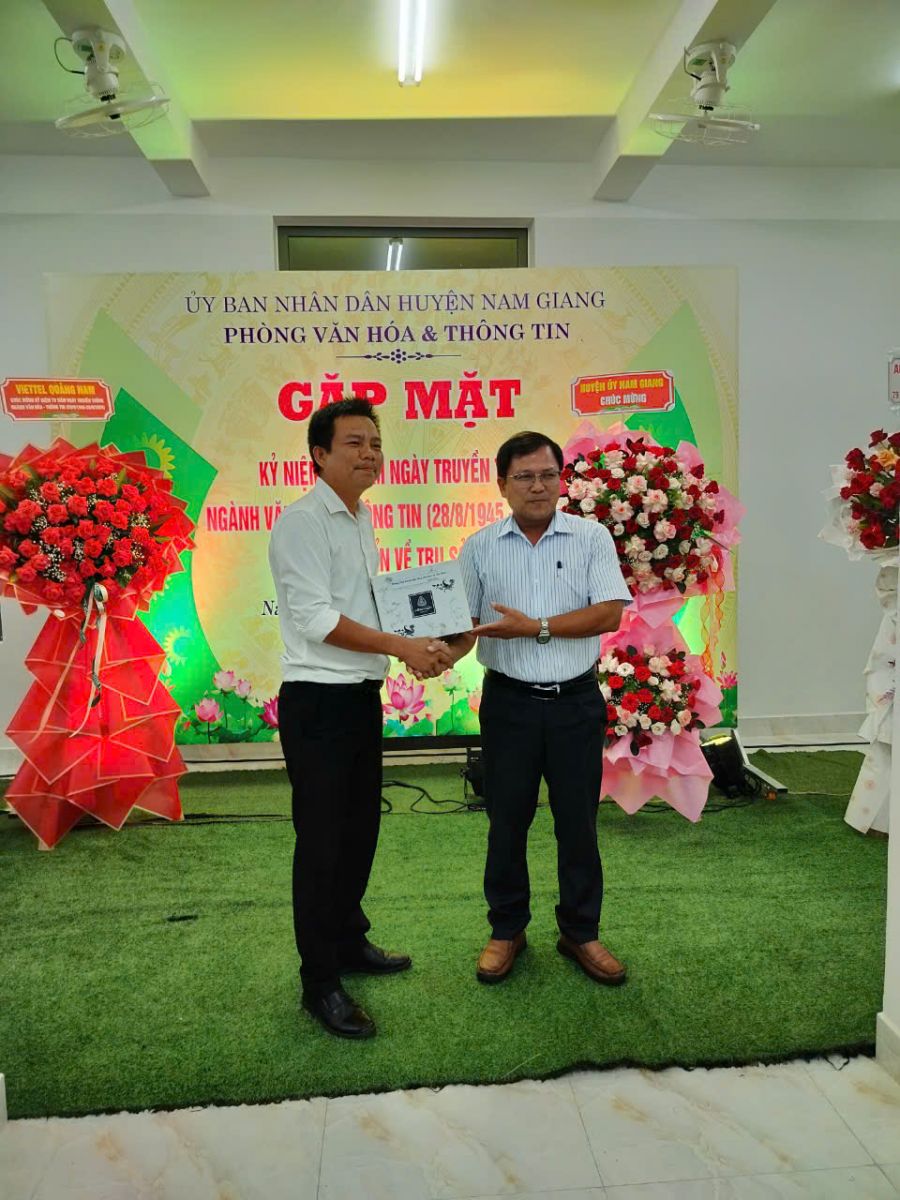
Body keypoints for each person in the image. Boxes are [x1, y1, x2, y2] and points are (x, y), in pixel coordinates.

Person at [268, 397, 452, 1039]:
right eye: (354, 442)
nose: (370, 453)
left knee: (358, 833)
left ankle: (347, 941)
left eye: (375, 443)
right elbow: (316, 620)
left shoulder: (361, 516)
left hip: (357, 699)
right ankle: (319, 983)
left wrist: (427, 639)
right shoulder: (302, 522)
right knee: (322, 845)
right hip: (317, 703)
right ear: (318, 454)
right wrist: (403, 646)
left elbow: (367, 607)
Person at [454, 430, 632, 987]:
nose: (538, 486)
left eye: (548, 475)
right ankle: (507, 929)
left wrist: (537, 627)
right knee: (506, 821)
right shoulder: (479, 547)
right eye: (525, 476)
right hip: (508, 705)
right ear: (501, 484)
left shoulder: (591, 537)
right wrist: (432, 652)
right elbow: (464, 625)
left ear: (562, 479)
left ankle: (580, 931)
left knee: (577, 823)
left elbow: (609, 614)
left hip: (576, 702)